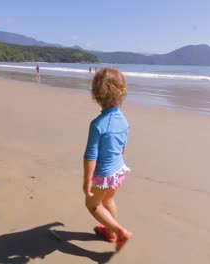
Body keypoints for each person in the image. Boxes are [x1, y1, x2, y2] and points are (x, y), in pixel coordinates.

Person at [83, 68, 132, 252]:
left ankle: (119, 232)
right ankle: (110, 232)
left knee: (93, 205)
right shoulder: (124, 120)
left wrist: (87, 180)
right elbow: (123, 147)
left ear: (96, 95)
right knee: (108, 200)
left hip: (104, 174)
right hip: (119, 170)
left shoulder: (97, 124)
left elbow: (91, 155)